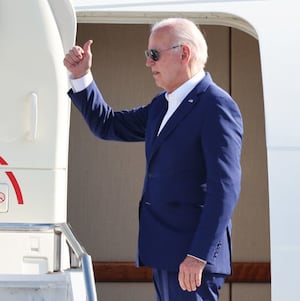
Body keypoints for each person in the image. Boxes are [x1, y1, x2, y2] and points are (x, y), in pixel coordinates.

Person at [64, 18, 243, 301]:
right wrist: (81, 77)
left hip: (192, 261)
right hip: (164, 254)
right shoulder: (163, 104)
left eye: (154, 54)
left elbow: (225, 188)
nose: (148, 63)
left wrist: (198, 255)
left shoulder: (216, 106)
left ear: (184, 53)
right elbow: (108, 125)